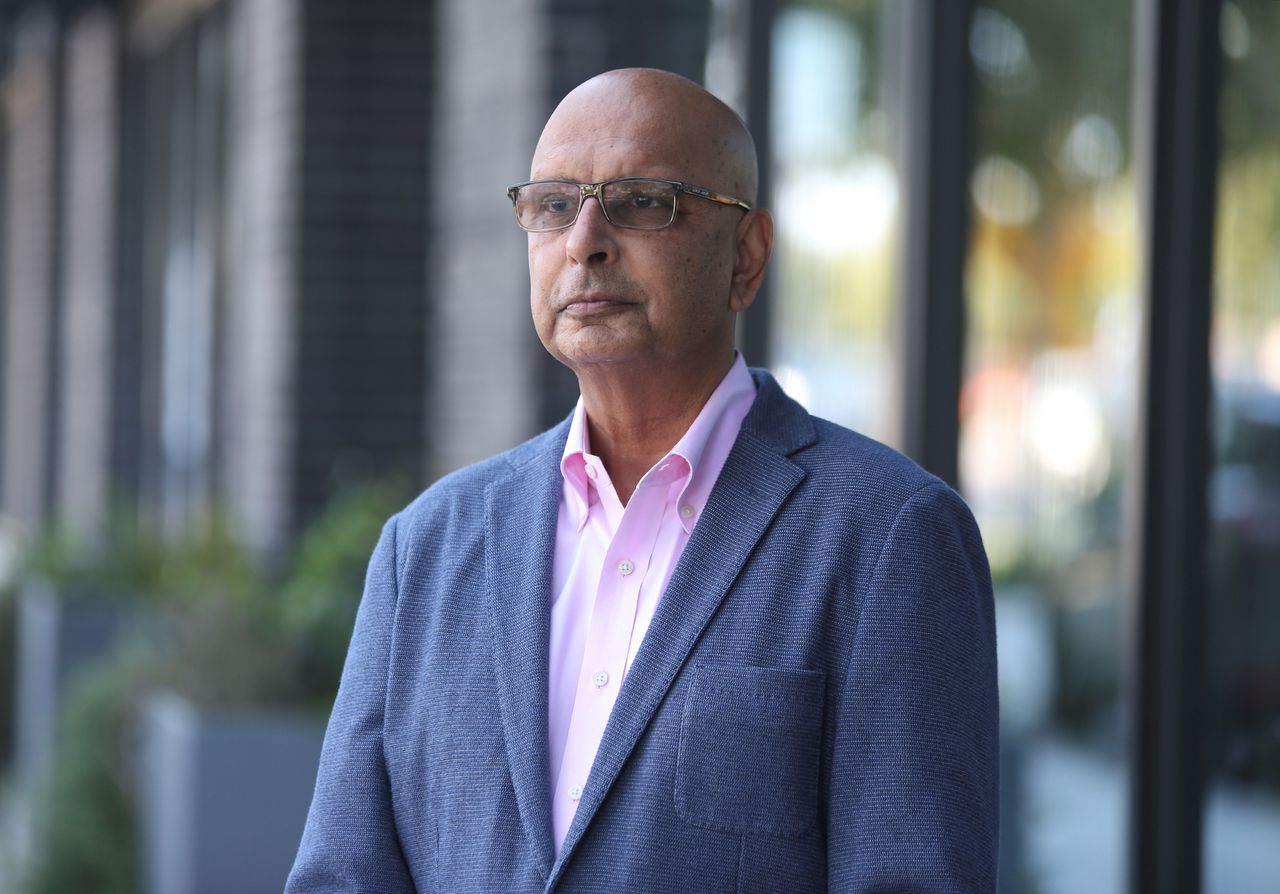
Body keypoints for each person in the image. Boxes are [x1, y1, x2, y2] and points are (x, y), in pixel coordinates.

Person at [286, 68, 998, 893]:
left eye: (642, 202)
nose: (584, 238)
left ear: (748, 255)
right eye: (554, 205)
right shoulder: (425, 549)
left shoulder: (889, 535)